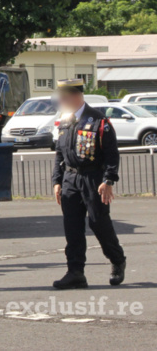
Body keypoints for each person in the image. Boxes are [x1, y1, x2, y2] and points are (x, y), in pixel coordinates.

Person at [51, 79, 126, 289]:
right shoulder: (65, 120)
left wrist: (108, 180)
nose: (61, 101)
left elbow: (112, 154)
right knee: (72, 227)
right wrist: (57, 180)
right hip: (70, 179)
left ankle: (117, 260)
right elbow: (59, 153)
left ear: (76, 96)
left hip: (93, 178)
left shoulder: (99, 121)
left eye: (64, 97)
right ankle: (75, 272)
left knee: (98, 222)